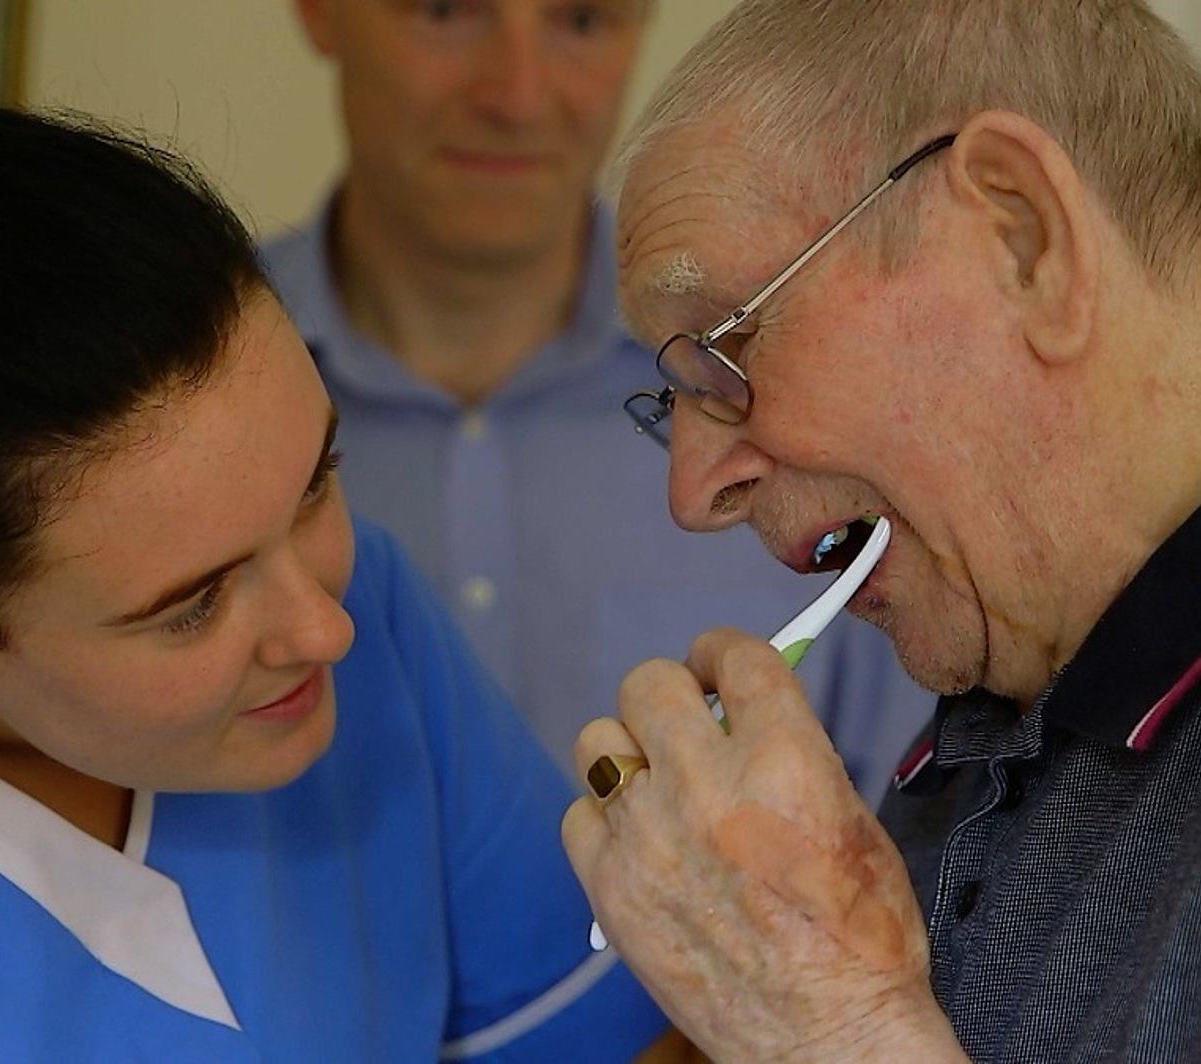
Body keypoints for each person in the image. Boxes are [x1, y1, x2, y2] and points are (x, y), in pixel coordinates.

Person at [0, 101, 682, 1062]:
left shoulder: (361, 613)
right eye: (194, 606)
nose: (325, 628)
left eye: (313, 488)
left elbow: (604, 1043)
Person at [561, 0, 1201, 1060]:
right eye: (673, 398)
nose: (694, 492)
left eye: (726, 346)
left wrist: (826, 1022)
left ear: (1022, 233)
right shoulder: (980, 733)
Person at [262, 0, 934, 797]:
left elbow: (919, 851)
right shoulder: (168, 398)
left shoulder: (813, 400)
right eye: (446, 12)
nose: (517, 96)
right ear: (319, 13)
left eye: (581, 21)